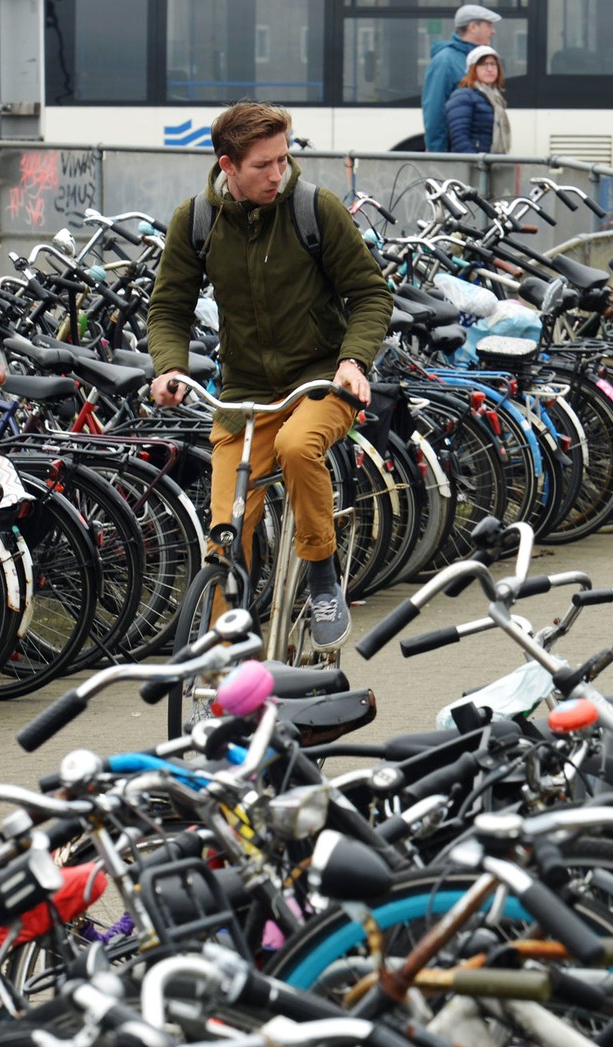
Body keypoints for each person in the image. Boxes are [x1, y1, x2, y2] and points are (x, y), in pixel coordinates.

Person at [146, 101, 392, 651]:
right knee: (226, 532)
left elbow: (372, 293)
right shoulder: (197, 221)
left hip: (323, 378)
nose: (278, 174)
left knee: (298, 445)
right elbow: (168, 309)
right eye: (263, 164)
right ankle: (217, 662)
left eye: (283, 159)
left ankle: (323, 573)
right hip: (245, 394)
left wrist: (353, 360)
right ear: (227, 165)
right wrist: (170, 368)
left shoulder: (314, 210)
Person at [423, 5, 500, 154]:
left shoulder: (478, 59)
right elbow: (435, 113)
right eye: (489, 25)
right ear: (473, 27)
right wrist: (438, 158)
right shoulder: (445, 61)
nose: (493, 31)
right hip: (461, 155)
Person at [445, 46, 511, 154]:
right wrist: (476, 163)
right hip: (475, 166)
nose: (490, 69)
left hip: (490, 163)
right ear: (472, 69)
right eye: (483, 64)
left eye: (493, 64)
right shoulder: (463, 96)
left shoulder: (495, 98)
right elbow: (459, 137)